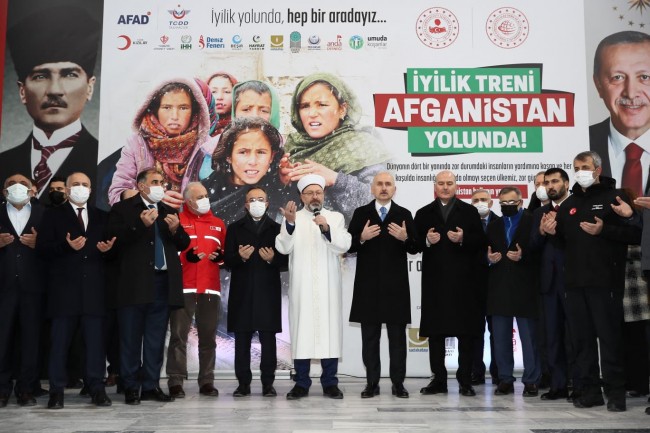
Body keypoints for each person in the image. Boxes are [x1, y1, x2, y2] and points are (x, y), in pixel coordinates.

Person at [541, 151, 641, 412]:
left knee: (609, 339)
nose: (580, 171)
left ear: (597, 169)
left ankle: (616, 394)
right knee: (581, 341)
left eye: (585, 166)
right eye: (576, 167)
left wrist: (606, 229)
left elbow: (635, 234)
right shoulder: (568, 204)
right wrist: (551, 234)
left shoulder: (615, 197)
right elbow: (564, 243)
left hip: (605, 281)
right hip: (574, 283)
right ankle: (590, 392)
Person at [0, 6, 101, 206]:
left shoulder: (107, 164)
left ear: (89, 87)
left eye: (70, 74)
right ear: (22, 91)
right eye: (41, 76)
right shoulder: (3, 163)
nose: (55, 90)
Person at [106, 168, 190, 405]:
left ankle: (151, 385)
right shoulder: (122, 209)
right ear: (141, 186)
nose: (160, 186)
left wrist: (175, 230)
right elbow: (113, 240)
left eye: (162, 182)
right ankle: (131, 386)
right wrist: (139, 225)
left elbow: (183, 243)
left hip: (163, 283)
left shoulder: (167, 210)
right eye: (155, 182)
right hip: (133, 284)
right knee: (130, 338)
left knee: (155, 339)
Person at [35, 172, 115, 408]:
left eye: (85, 185)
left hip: (93, 291)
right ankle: (56, 392)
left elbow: (111, 252)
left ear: (91, 190)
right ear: (67, 190)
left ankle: (96, 389)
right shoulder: (53, 215)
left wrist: (108, 250)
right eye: (76, 185)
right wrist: (65, 246)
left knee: (95, 344)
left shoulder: (102, 216)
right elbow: (42, 250)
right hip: (63, 291)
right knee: (59, 343)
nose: (81, 188)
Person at [275, 174, 351, 400]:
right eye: (310, 193)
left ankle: (330, 383)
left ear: (324, 194)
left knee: (329, 333)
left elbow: (344, 244)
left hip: (328, 288)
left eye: (318, 192)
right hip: (302, 287)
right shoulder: (293, 217)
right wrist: (289, 224)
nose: (315, 196)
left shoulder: (335, 217)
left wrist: (327, 228)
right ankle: (301, 383)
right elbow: (282, 247)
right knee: (302, 333)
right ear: (301, 196)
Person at [281, 72, 392, 223]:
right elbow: (276, 210)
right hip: (301, 242)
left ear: (342, 109)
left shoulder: (364, 146)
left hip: (347, 243)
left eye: (322, 105)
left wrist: (335, 179)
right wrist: (282, 181)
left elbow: (381, 206)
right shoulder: (291, 148)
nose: (312, 113)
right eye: (305, 106)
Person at [413, 171, 487, 397]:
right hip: (435, 283)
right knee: (436, 334)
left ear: (456, 186)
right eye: (441, 184)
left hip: (464, 283)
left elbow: (481, 242)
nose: (445, 187)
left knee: (465, 333)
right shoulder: (424, 212)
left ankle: (465, 380)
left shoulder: (470, 211)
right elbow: (413, 244)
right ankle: (439, 380)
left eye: (449, 183)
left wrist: (464, 238)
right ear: (435, 186)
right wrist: (426, 240)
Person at [347, 172, 418, 398]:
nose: (384, 188)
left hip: (396, 288)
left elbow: (416, 247)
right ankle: (372, 384)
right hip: (368, 288)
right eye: (380, 184)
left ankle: (398, 384)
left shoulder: (404, 214)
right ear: (372, 188)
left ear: (394, 189)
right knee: (370, 339)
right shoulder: (361, 213)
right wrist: (361, 237)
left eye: (388, 184)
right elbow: (348, 246)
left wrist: (405, 238)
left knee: (397, 339)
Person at [108, 78, 215, 209]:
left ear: (194, 111)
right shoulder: (137, 144)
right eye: (166, 107)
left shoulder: (207, 147)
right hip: (147, 225)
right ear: (155, 110)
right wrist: (151, 199)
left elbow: (218, 195)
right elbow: (117, 193)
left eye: (183, 108)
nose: (174, 116)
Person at [224, 186, 288, 397]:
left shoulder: (277, 228)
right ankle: (243, 384)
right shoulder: (234, 228)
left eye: (261, 199)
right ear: (246, 204)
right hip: (242, 293)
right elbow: (227, 260)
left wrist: (272, 260)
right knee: (241, 340)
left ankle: (268, 384)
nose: (257, 203)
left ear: (267, 203)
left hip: (267, 292)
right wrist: (240, 257)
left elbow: (286, 260)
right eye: (252, 199)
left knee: (268, 341)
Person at [166, 182, 225, 399]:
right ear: (188, 200)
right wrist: (185, 257)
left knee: (208, 338)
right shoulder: (177, 221)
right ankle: (175, 380)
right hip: (184, 287)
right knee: (179, 337)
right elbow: (170, 252)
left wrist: (220, 258)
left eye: (206, 195)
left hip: (210, 289)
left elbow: (225, 253)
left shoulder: (218, 224)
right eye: (199, 196)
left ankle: (207, 381)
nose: (204, 199)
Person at [486, 187, 541, 397]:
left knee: (529, 337)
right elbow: (486, 252)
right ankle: (505, 378)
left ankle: (531, 380)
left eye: (511, 202)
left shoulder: (532, 221)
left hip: (526, 286)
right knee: (500, 337)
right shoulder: (493, 226)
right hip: (499, 286)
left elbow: (539, 250)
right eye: (503, 203)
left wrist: (523, 256)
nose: (507, 206)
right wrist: (488, 259)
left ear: (520, 202)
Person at [531, 168, 579, 401]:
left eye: (555, 181)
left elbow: (582, 243)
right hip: (548, 284)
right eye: (547, 182)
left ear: (566, 183)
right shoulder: (539, 212)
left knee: (577, 336)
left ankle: (580, 385)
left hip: (574, 281)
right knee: (552, 337)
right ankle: (558, 385)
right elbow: (531, 248)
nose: (550, 186)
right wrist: (541, 231)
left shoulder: (578, 206)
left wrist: (557, 231)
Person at [0, 174, 44, 407]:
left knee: (30, 340)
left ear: (32, 190)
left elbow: (55, 248)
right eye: (11, 184)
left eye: (23, 183)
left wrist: (40, 243)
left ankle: (26, 388)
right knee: (2, 339)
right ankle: (2, 389)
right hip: (4, 287)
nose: (17, 186)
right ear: (4, 192)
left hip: (33, 288)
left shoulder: (43, 213)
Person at [589, 31, 650, 198]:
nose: (631, 93)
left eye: (644, 77)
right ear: (598, 85)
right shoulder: (579, 142)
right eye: (618, 77)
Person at [202, 117, 291, 225]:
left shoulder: (278, 190)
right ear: (228, 155)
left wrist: (287, 184)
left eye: (261, 152)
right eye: (243, 152)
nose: (253, 161)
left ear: (272, 156)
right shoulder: (204, 191)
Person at [469, 189, 499, 385]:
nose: (480, 203)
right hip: (473, 286)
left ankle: (499, 371)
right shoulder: (466, 224)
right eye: (476, 200)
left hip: (497, 285)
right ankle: (475, 371)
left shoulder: (502, 222)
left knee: (497, 331)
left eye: (483, 200)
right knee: (474, 331)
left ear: (490, 203)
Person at [206, 72, 237, 136]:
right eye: (214, 92)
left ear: (236, 95)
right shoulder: (200, 125)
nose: (219, 97)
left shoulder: (240, 125)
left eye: (226, 92)